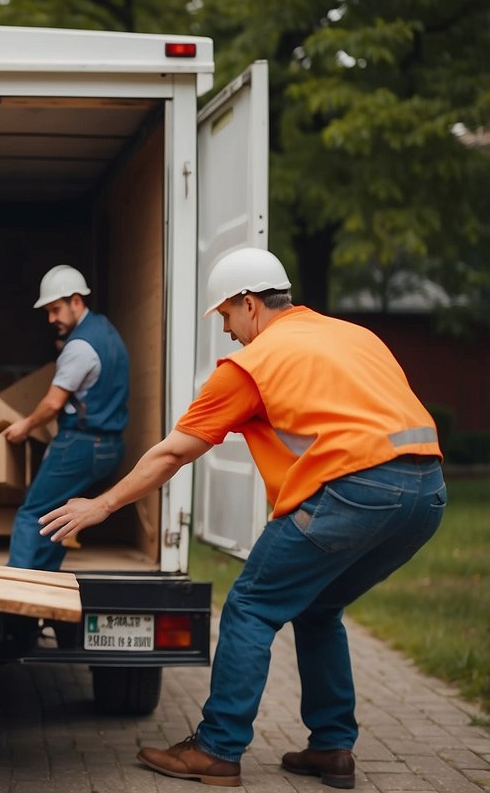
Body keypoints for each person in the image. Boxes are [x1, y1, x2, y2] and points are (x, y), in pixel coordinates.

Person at [39, 248, 445, 789]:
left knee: (251, 605)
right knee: (320, 606)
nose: (228, 330)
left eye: (227, 316)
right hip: (428, 496)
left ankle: (216, 749)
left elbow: (171, 453)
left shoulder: (254, 363)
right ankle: (331, 747)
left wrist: (101, 504)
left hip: (355, 490)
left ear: (250, 304)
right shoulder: (352, 335)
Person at [2, 264, 129, 571]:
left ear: (76, 300)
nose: (51, 319)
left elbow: (53, 404)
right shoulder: (106, 332)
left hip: (81, 445)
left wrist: (25, 426)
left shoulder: (80, 346)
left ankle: (10, 592)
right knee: (59, 514)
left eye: (55, 309)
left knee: (33, 513)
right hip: (110, 445)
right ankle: (45, 578)